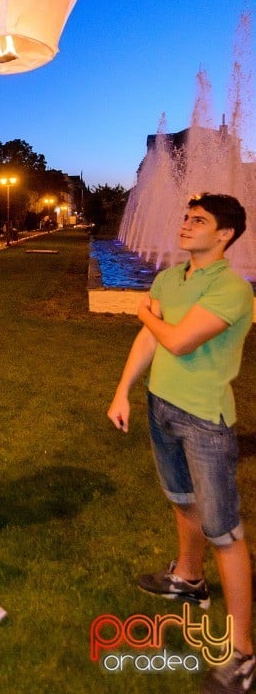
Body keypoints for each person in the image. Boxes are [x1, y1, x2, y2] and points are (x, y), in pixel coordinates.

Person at [107, 193, 254, 694]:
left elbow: (177, 340)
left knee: (224, 532)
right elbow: (150, 342)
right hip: (161, 405)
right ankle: (188, 580)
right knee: (181, 499)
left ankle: (243, 654)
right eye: (186, 217)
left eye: (200, 221)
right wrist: (122, 390)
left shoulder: (232, 289)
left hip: (205, 420)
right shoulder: (170, 278)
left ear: (225, 235)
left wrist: (142, 311)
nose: (186, 225)